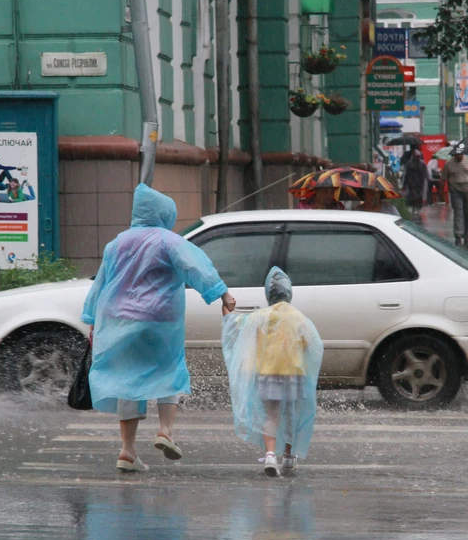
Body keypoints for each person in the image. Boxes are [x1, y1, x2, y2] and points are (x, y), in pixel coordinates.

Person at [82, 183, 236, 473]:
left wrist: (91, 319)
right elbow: (196, 266)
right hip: (159, 320)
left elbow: (100, 283)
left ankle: (127, 451)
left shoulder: (116, 244)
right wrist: (222, 294)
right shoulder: (168, 240)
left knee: (126, 379)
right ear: (164, 214)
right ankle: (165, 430)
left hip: (117, 320)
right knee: (170, 370)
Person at [221, 267, 322, 477]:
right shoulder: (299, 318)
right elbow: (311, 344)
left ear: (268, 294)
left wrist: (226, 306)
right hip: (294, 373)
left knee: (271, 414)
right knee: (290, 414)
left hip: (268, 373)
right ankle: (288, 457)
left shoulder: (260, 317)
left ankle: (269, 455)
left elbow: (233, 324)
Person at [441, 147, 468, 248]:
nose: (459, 156)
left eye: (460, 155)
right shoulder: (448, 164)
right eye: (457, 155)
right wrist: (442, 193)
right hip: (455, 190)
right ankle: (458, 237)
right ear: (453, 155)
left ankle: (467, 236)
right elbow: (443, 179)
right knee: (458, 213)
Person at [401, 151, 428, 217]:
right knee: (412, 196)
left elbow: (425, 173)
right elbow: (406, 174)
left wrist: (426, 180)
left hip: (420, 183)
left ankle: (417, 208)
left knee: (419, 196)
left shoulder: (422, 164)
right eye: (416, 156)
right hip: (411, 183)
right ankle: (413, 208)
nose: (417, 158)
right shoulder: (409, 163)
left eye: (418, 156)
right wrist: (404, 185)